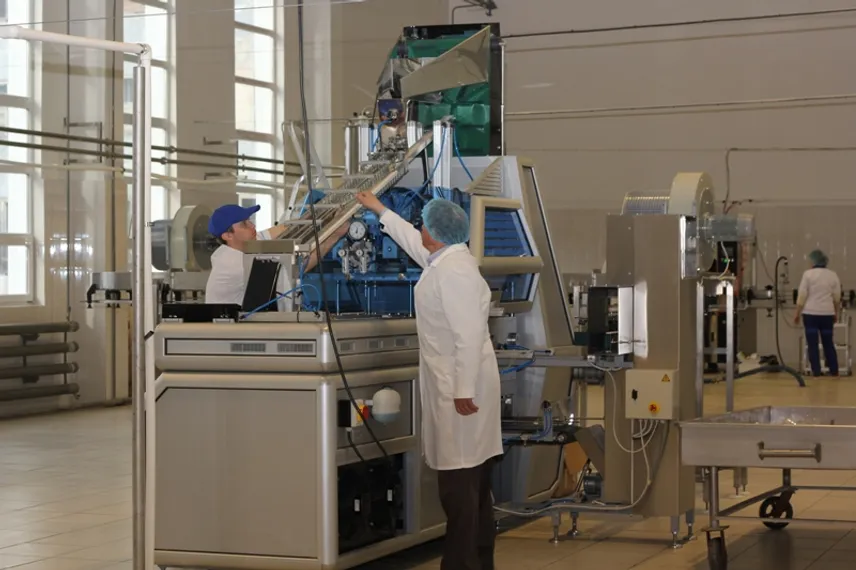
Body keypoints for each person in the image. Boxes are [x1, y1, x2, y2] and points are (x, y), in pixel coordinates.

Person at [355, 191, 502, 570]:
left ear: (435, 232)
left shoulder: (455, 272)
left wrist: (463, 390)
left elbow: (468, 335)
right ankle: (477, 563)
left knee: (461, 489)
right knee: (471, 485)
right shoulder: (445, 260)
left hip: (462, 389)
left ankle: (461, 564)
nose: (419, 228)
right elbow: (413, 243)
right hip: (457, 383)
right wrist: (380, 210)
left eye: (423, 224)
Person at [205, 204, 347, 305]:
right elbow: (296, 268)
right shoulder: (233, 263)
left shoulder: (242, 244)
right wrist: (335, 235)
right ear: (227, 235)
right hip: (233, 332)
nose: (252, 226)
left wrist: (321, 214)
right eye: (244, 224)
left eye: (250, 220)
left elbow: (280, 230)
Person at [793, 249, 841, 377]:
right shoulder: (833, 275)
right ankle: (834, 370)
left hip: (811, 314)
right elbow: (837, 297)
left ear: (813, 261)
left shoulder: (808, 274)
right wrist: (835, 313)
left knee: (812, 343)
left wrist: (797, 313)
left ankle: (816, 371)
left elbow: (802, 295)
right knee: (828, 342)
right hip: (827, 314)